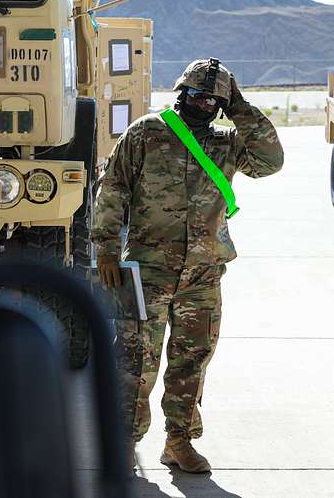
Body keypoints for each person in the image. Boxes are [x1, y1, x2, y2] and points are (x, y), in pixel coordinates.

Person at [92, 58, 284, 473]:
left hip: (202, 273)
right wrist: (106, 248)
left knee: (192, 360)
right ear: (181, 93)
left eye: (211, 99)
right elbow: (113, 189)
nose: (201, 103)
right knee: (135, 360)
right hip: (147, 272)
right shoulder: (146, 132)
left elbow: (270, 160)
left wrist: (240, 107)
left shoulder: (227, 142)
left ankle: (178, 441)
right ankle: (124, 443)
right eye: (195, 95)